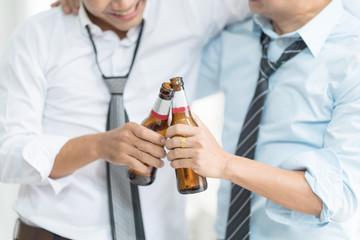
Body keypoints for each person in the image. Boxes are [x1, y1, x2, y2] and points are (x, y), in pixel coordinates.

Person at [0, 0, 251, 239]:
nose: (124, 4)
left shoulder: (190, 10)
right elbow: (6, 155)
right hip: (55, 233)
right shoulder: (37, 35)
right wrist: (96, 146)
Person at [165, 0, 360, 239]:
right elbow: (161, 88)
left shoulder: (353, 58)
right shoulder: (235, 38)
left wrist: (225, 165)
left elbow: (338, 195)